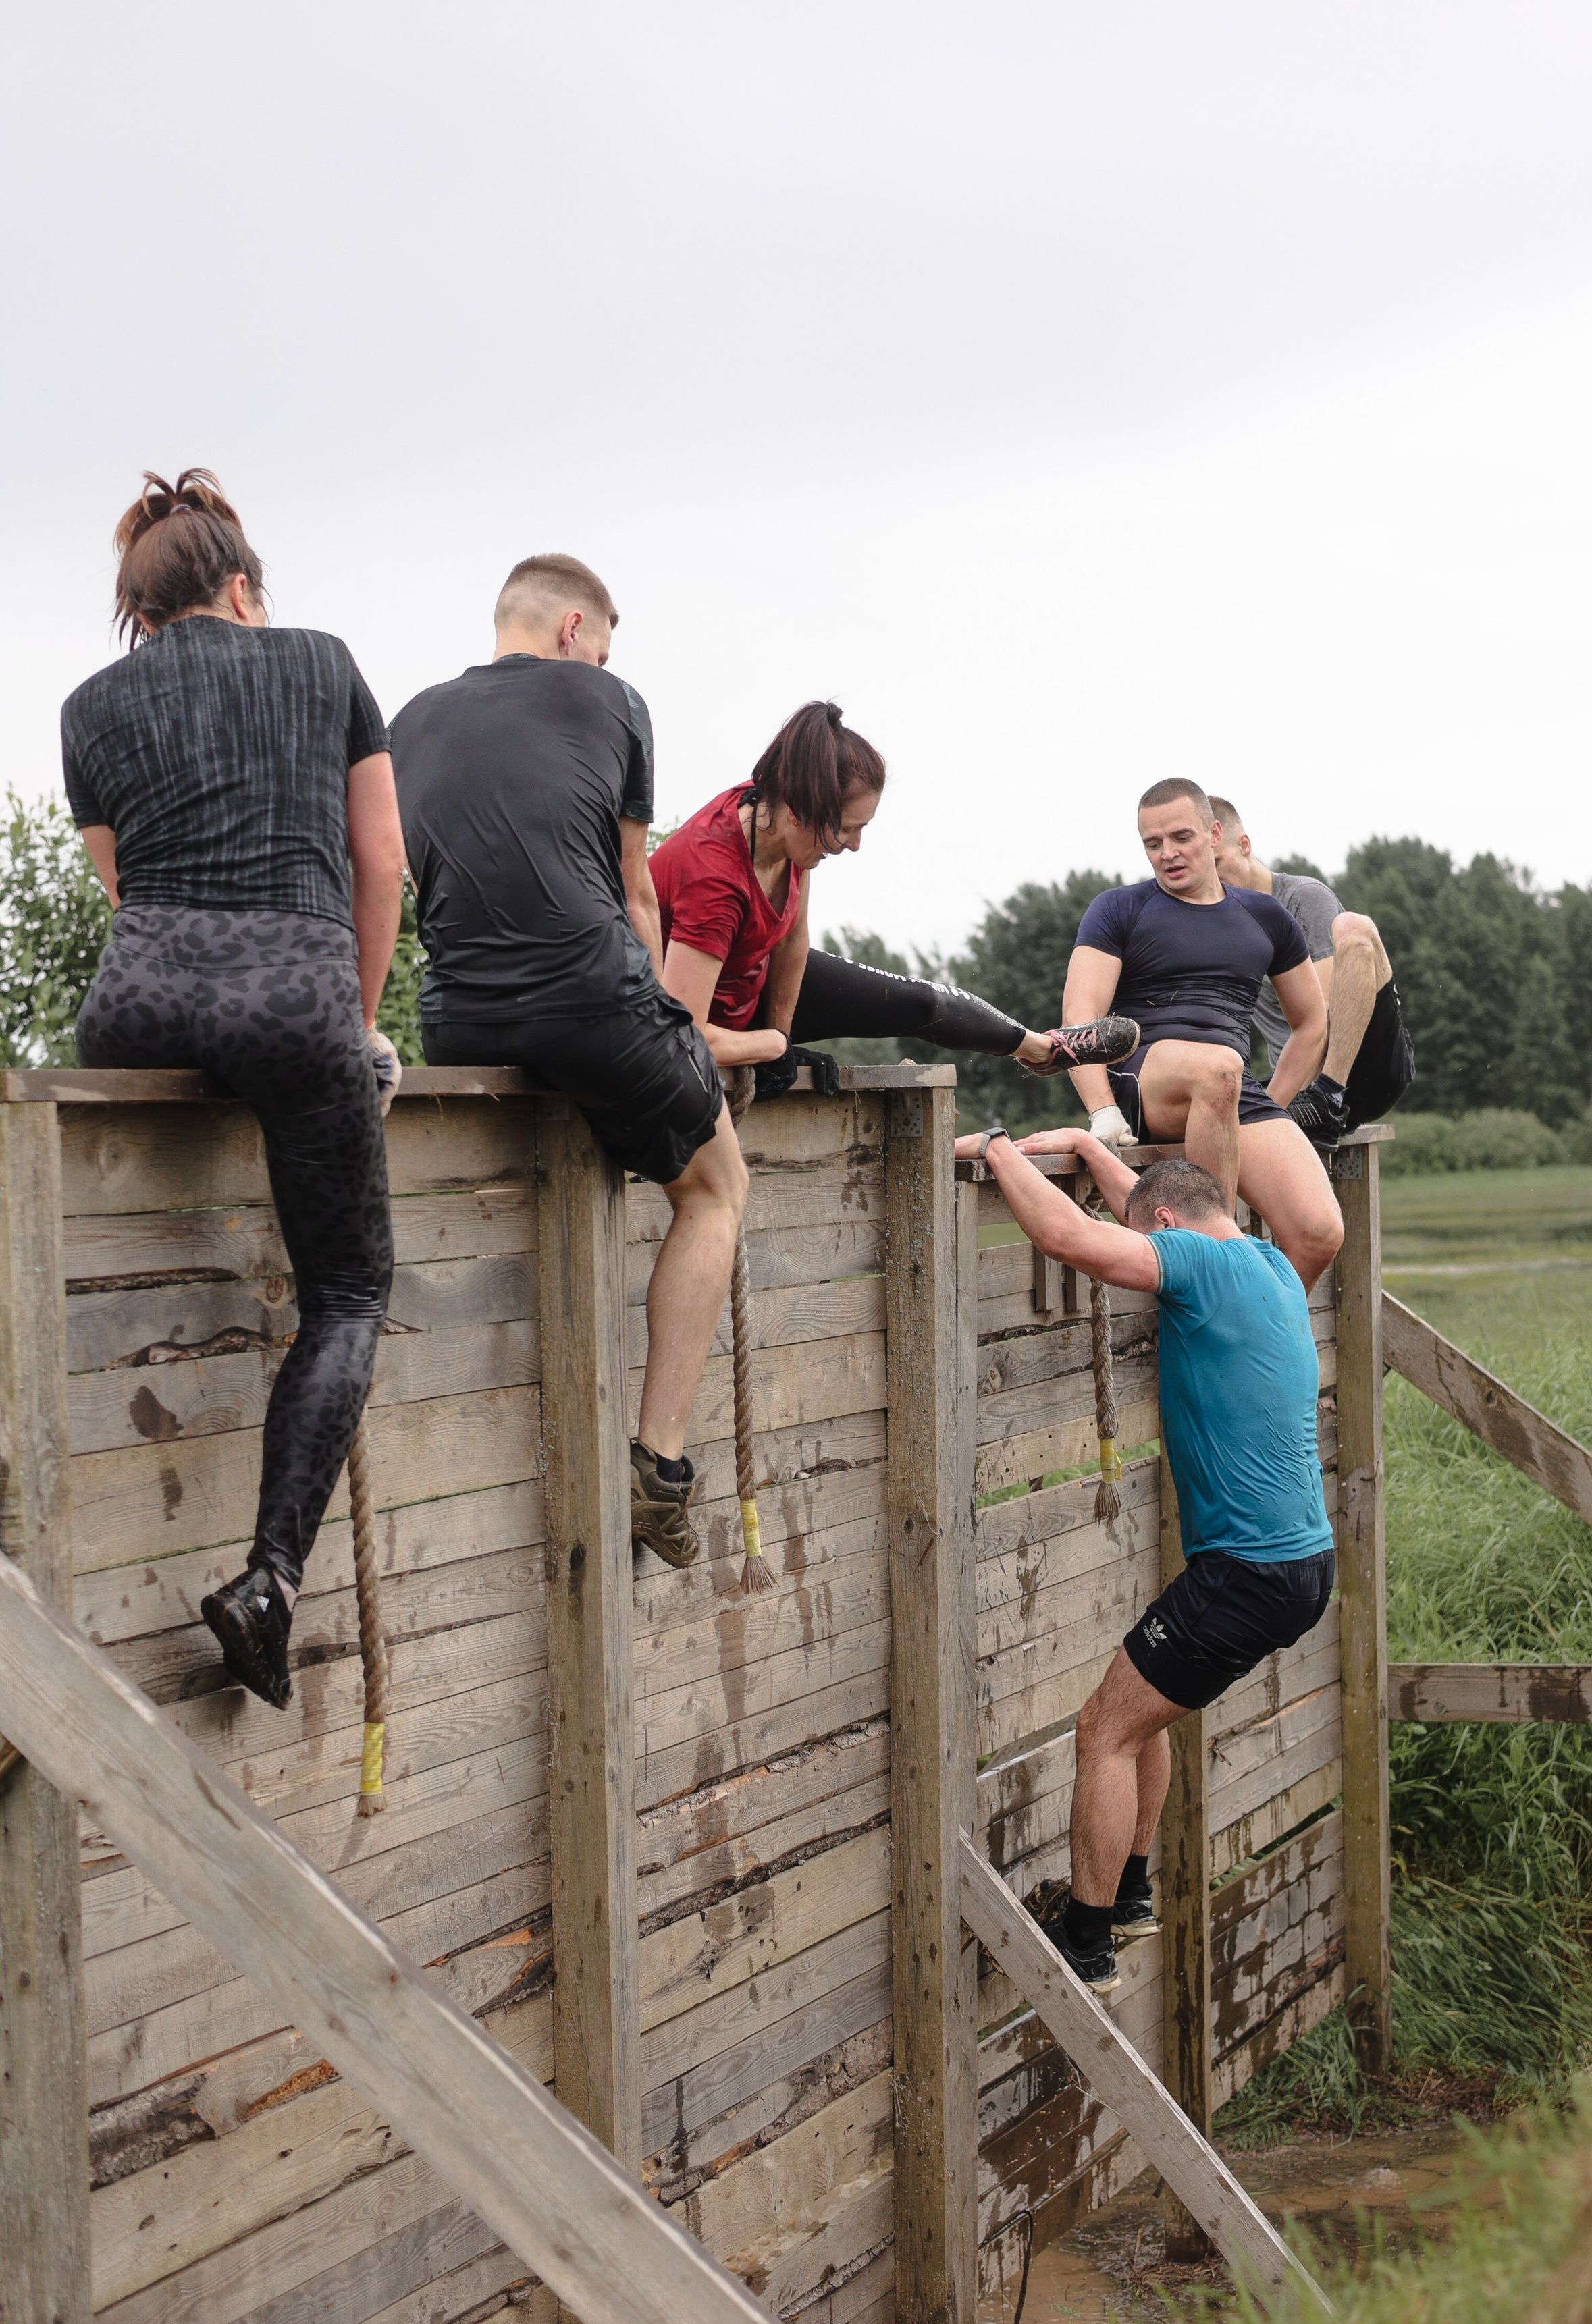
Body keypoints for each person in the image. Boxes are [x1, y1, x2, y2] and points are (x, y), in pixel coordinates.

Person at [63, 470, 406, 1712]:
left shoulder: (89, 706)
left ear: (142, 618)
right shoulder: (322, 663)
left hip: (136, 1009)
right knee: (351, 1292)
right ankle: (267, 1579)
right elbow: (384, 864)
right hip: (292, 998)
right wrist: (353, 1030)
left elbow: (124, 892)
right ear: (245, 587)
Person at [388, 552, 746, 1572]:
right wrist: (678, 1042)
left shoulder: (406, 719)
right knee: (717, 1186)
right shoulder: (613, 697)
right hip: (590, 1000)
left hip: (457, 1020)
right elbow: (636, 893)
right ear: (575, 628)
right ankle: (659, 1467)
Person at [953, 1123, 1335, 1999]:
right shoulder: (1271, 1266)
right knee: (1144, 1715)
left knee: (1104, 1730)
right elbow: (1151, 1200)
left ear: (1165, 1224)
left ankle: (1086, 1938)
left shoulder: (1200, 1266)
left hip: (1245, 1570)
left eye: (1148, 1230)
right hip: (1297, 1566)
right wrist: (1092, 1156)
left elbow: (1067, 1238)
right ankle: (1125, 1893)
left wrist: (1002, 1150)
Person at [649, 701, 1139, 1091]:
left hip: (747, 997)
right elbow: (680, 1036)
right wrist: (771, 1046)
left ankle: (1042, 1049)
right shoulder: (713, 879)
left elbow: (792, 943)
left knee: (915, 1002)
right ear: (801, 811)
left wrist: (785, 1033)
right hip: (688, 1029)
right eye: (844, 830)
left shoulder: (778, 815)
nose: (855, 845)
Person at [1061, 778, 1342, 1289]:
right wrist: (1103, 1111)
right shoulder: (1119, 908)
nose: (1167, 854)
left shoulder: (1265, 915)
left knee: (1319, 1231)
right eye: (1152, 844)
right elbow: (1080, 1020)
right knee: (1219, 1068)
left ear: (1215, 835)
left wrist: (1272, 1100)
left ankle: (1251, 1331)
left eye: (1181, 837)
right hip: (1146, 1077)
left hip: (1227, 1088)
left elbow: (1311, 1021)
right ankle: (1219, 1264)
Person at [1212, 797, 1415, 1151]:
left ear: (1244, 845)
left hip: (1366, 1065)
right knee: (1207, 1104)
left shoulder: (1303, 899)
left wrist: (1272, 1109)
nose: (1213, 879)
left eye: (1218, 863)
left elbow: (1321, 1022)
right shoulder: (1218, 930)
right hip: (1298, 1085)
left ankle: (1329, 1096)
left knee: (1354, 928)